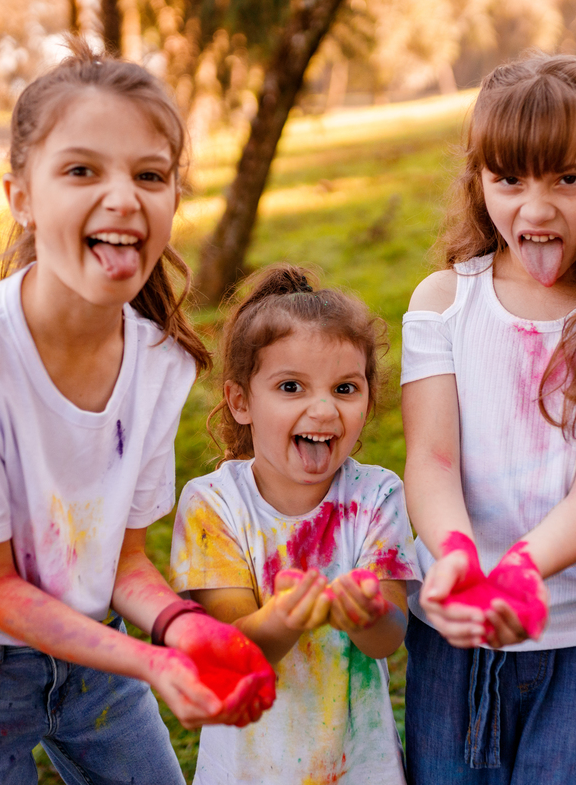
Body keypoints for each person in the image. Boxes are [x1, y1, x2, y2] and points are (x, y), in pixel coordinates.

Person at [0, 43, 275, 785]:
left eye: (150, 175)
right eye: (82, 170)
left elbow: (123, 561)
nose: (123, 196)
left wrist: (181, 626)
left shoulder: (163, 363)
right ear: (20, 196)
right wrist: (151, 659)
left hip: (97, 653)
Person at [399, 54, 576, 784]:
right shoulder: (443, 303)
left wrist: (519, 572)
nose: (535, 209)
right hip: (454, 631)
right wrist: (459, 557)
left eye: (568, 178)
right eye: (509, 179)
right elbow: (430, 460)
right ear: (479, 179)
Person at [170, 264, 421, 785]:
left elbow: (388, 637)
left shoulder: (376, 495)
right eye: (291, 386)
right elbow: (233, 649)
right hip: (249, 768)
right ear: (242, 403)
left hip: (357, 765)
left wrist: (368, 612)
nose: (324, 408)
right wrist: (284, 617)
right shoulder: (214, 505)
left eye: (346, 388)